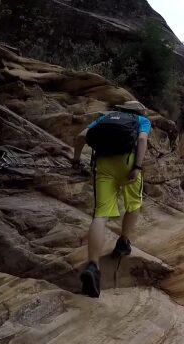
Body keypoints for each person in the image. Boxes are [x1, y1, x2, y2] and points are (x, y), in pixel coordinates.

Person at [72, 101, 150, 298]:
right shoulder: (142, 120)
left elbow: (81, 136)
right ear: (139, 111)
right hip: (128, 163)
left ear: (122, 110)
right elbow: (142, 140)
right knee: (134, 203)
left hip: (103, 166)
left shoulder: (105, 118)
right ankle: (123, 242)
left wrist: (76, 159)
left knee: (101, 214)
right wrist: (138, 167)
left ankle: (93, 266)